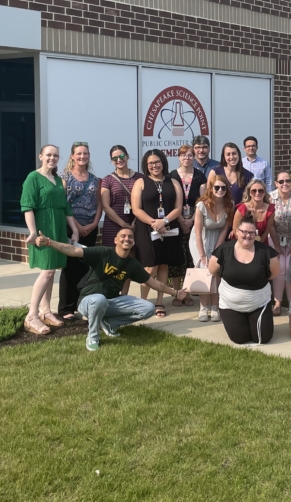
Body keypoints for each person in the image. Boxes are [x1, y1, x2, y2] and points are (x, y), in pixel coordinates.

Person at [35, 226, 187, 351]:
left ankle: (110, 324)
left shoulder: (132, 264)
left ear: (133, 242)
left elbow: (154, 283)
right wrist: (49, 242)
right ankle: (93, 336)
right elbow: (72, 250)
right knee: (99, 299)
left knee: (148, 308)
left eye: (130, 237)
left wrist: (175, 292)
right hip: (87, 301)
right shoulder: (103, 253)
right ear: (115, 240)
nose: (127, 238)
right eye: (123, 236)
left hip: (110, 302)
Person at [22, 145, 81, 335]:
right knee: (47, 271)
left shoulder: (59, 181)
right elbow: (27, 206)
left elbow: (65, 208)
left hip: (58, 229)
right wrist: (33, 232)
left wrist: (74, 230)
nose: (52, 158)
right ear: (41, 156)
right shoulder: (33, 177)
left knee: (52, 270)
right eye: (48, 155)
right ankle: (32, 315)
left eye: (55, 155)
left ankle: (46, 311)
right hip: (43, 229)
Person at [130, 149, 185, 318]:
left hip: (168, 228)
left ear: (163, 162)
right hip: (147, 229)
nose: (154, 165)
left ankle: (159, 302)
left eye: (157, 162)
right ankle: (143, 303)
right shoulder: (140, 182)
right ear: (146, 165)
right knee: (149, 267)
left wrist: (164, 221)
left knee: (163, 265)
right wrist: (154, 223)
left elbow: (178, 208)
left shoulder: (173, 182)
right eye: (150, 163)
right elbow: (136, 209)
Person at [208, 214, 280, 345]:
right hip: (230, 304)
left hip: (259, 303)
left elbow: (274, 273)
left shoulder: (266, 252)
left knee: (262, 338)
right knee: (239, 339)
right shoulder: (224, 250)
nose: (248, 235)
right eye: (244, 232)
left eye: (251, 232)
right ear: (236, 232)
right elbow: (213, 270)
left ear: (255, 234)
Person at [57, 142, 101, 321]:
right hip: (71, 228)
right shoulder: (64, 176)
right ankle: (66, 308)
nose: (82, 156)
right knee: (70, 267)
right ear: (72, 156)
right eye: (79, 153)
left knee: (85, 268)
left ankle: (81, 305)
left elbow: (99, 203)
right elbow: (64, 204)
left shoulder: (94, 179)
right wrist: (77, 227)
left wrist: (94, 223)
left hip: (90, 228)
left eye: (85, 153)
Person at [190, 170, 233, 322]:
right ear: (211, 188)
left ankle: (215, 307)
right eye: (217, 187)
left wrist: (216, 251)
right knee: (204, 270)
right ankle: (203, 307)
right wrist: (202, 255)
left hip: (217, 240)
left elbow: (224, 230)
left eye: (223, 188)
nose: (220, 190)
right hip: (200, 240)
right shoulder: (201, 205)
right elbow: (197, 232)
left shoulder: (229, 205)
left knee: (216, 271)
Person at [169, 143, 206, 304]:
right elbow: (170, 199)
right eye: (183, 155)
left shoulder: (200, 176)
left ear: (194, 157)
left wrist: (191, 221)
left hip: (195, 218)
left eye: (190, 155)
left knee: (190, 257)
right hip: (175, 218)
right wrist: (180, 219)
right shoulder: (171, 176)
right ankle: (177, 293)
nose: (187, 158)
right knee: (176, 256)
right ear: (178, 157)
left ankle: (188, 293)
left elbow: (203, 200)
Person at [268, 171, 291, 313]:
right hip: (275, 237)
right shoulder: (270, 198)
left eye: (287, 181)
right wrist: (276, 246)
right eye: (281, 181)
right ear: (276, 183)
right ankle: (278, 302)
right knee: (279, 267)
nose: (285, 184)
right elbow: (270, 225)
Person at [100, 145, 141, 251]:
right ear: (111, 160)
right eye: (115, 158)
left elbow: (144, 203)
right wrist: (123, 224)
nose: (119, 160)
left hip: (136, 225)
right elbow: (105, 206)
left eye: (122, 156)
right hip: (113, 225)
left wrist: (134, 223)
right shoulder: (107, 180)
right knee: (112, 256)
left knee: (135, 256)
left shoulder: (140, 178)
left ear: (127, 156)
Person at [233, 179, 279, 248]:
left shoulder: (270, 210)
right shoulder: (242, 209)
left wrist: (257, 246)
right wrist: (247, 246)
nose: (257, 193)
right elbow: (235, 230)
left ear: (264, 193)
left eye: (261, 190)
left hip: (261, 244)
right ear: (249, 193)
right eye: (254, 191)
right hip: (242, 244)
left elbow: (267, 231)